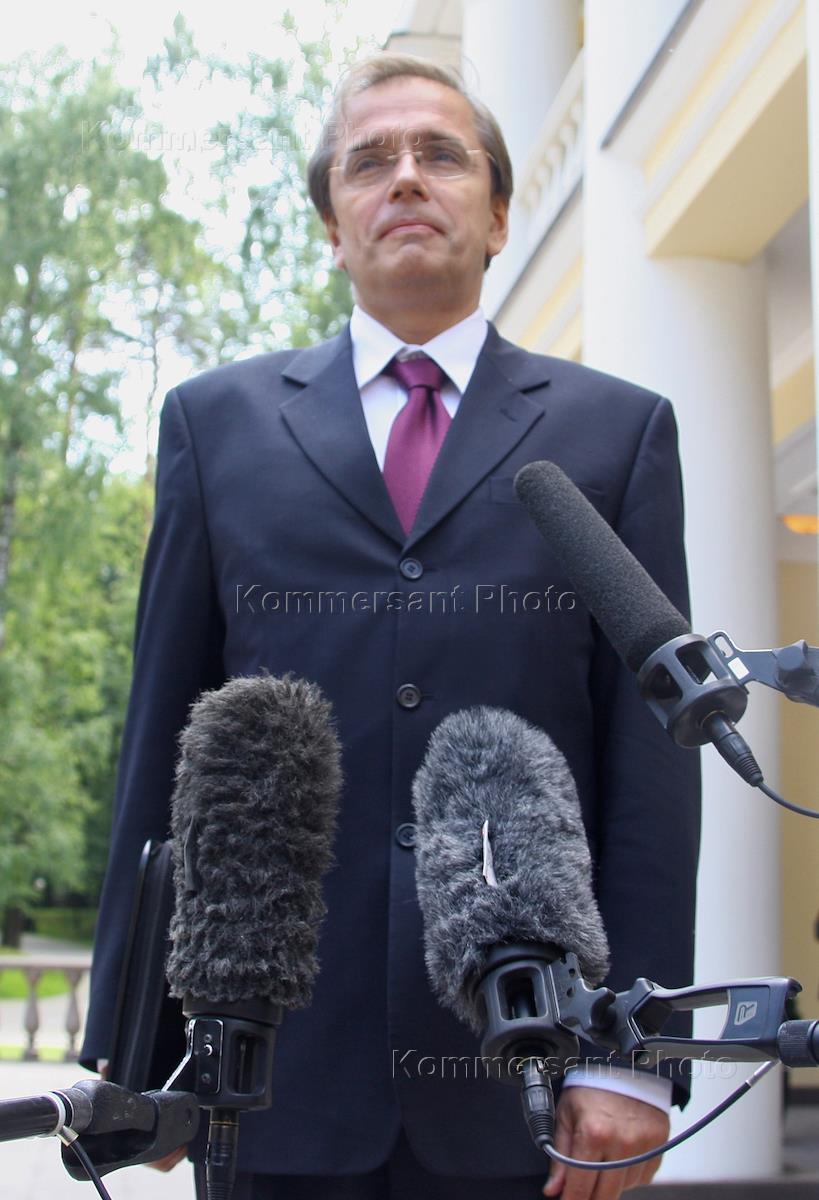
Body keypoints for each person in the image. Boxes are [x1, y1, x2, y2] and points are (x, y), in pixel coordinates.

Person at [81, 53, 700, 1200]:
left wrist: (636, 1060)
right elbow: (161, 746)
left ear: (500, 215)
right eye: (369, 162)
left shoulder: (618, 437)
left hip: (525, 1077)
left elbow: (652, 766)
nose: (405, 178)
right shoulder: (215, 428)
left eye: (440, 155)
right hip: (263, 1079)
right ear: (333, 226)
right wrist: (132, 1046)